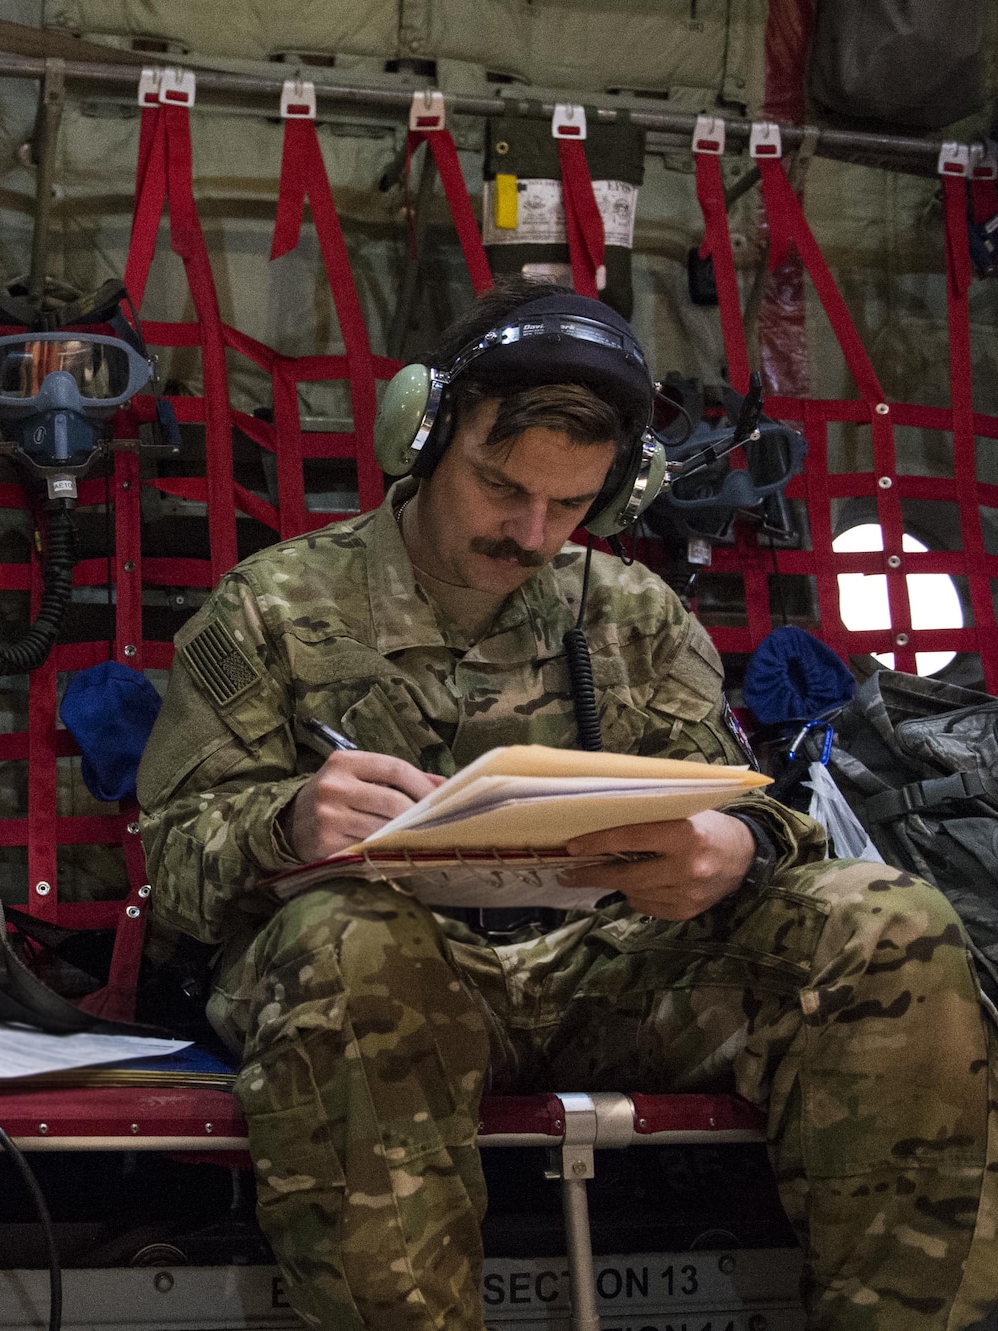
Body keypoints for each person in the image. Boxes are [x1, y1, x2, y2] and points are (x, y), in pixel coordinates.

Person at [136, 278, 998, 1330]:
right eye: (499, 487)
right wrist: (286, 825)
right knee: (349, 940)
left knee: (889, 920)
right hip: (384, 974)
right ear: (421, 437)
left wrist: (731, 846)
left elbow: (752, 804)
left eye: (570, 504)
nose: (530, 531)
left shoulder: (631, 613)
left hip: (605, 969)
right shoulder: (271, 607)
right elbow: (171, 867)